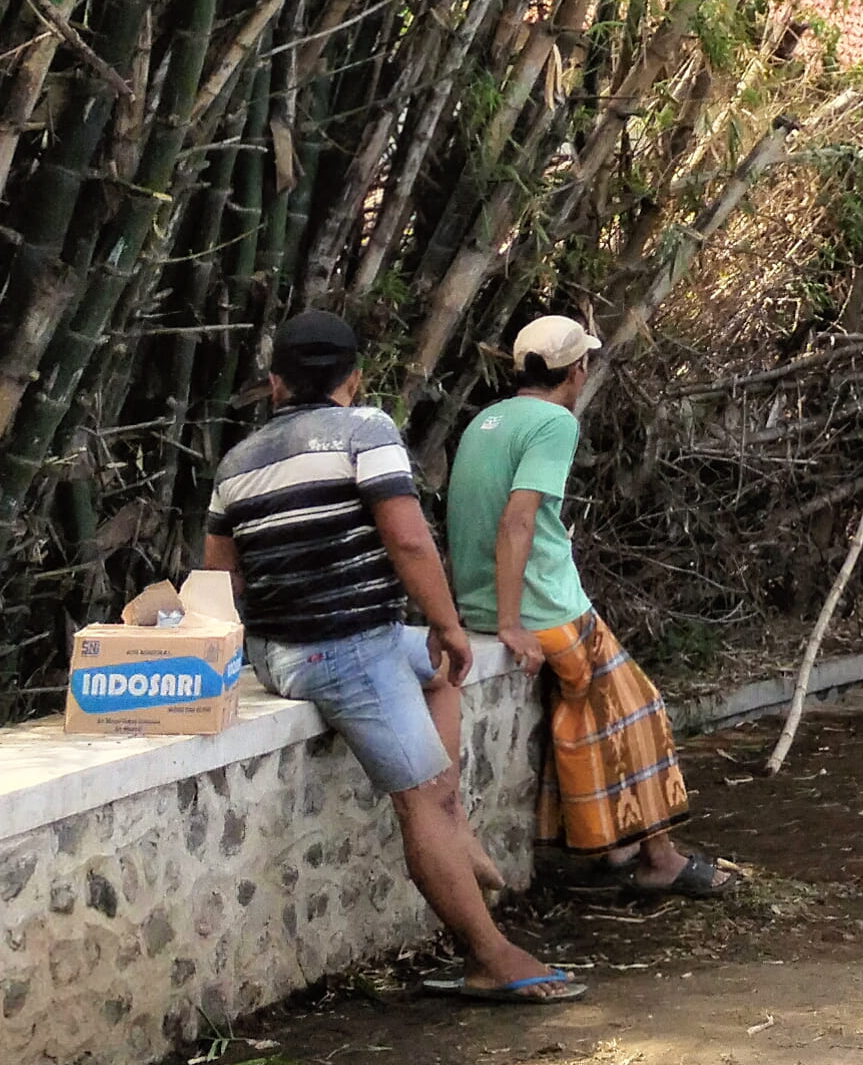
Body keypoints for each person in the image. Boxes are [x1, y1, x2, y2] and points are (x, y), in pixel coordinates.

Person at [203, 308, 572, 1006]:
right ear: (356, 378)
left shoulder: (236, 464)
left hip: (282, 654)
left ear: (276, 384)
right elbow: (406, 540)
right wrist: (449, 622)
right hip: (343, 651)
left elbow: (221, 581)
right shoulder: (364, 429)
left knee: (439, 672)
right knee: (422, 794)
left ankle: (453, 821)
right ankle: (489, 954)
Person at [448, 314, 738, 901]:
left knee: (589, 714)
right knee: (641, 711)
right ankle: (660, 857)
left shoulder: (486, 419)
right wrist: (511, 622)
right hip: (544, 609)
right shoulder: (554, 423)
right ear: (576, 370)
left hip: (477, 604)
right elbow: (518, 518)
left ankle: (613, 845)